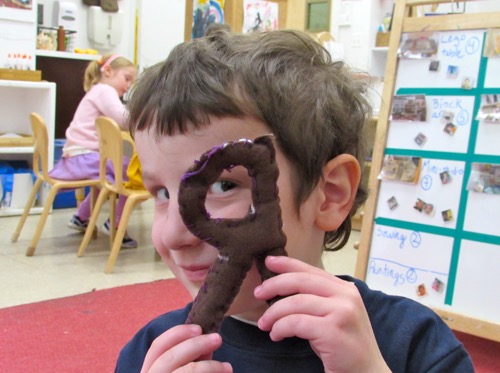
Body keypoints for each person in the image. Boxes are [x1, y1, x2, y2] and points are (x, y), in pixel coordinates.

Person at [116, 30, 473, 372]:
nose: (175, 235)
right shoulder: (152, 353)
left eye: (223, 186)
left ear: (330, 195)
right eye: (162, 194)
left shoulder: (415, 345)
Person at [49, 54, 138, 248]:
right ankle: (116, 224)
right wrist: (144, 117)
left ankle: (81, 217)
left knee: (110, 175)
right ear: (108, 71)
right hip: (84, 157)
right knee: (131, 172)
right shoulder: (105, 91)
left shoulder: (97, 91)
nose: (129, 85)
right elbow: (124, 120)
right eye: (127, 78)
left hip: (77, 156)